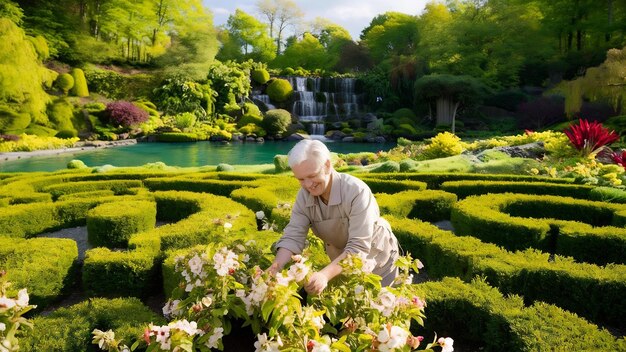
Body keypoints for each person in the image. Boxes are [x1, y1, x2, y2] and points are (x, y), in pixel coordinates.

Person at [267, 139, 400, 295]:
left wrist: (324, 275)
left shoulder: (356, 191)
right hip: (341, 259)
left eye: (312, 175)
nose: (308, 185)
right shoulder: (304, 196)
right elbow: (293, 236)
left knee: (379, 306)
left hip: (377, 259)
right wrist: (274, 269)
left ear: (328, 166)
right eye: (301, 179)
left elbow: (358, 246)